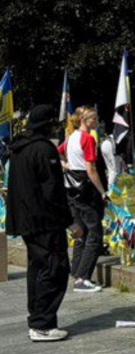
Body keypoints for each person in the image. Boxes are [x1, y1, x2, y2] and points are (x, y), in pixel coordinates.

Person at [8, 105, 72, 341]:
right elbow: (53, 191)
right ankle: (43, 324)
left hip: (26, 219)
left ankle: (37, 320)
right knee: (54, 268)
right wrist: (69, 221)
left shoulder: (19, 148)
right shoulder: (44, 149)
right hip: (46, 220)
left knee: (37, 269)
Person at [62, 107, 108, 293]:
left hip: (72, 189)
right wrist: (103, 192)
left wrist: (67, 166)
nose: (96, 122)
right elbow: (91, 169)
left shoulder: (71, 137)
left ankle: (76, 270)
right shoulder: (87, 139)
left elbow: (57, 153)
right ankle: (82, 278)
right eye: (93, 119)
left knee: (80, 232)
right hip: (86, 190)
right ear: (84, 119)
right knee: (95, 233)